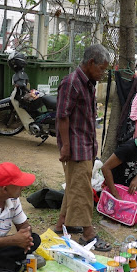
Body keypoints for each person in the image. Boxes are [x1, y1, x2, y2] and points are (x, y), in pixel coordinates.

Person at [53, 44, 112, 250]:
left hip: (86, 144)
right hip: (75, 147)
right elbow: (62, 116)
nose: (103, 73)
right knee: (82, 191)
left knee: (75, 185)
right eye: (101, 69)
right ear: (90, 63)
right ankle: (88, 234)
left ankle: (61, 224)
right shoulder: (71, 83)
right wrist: (66, 146)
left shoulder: (88, 83)